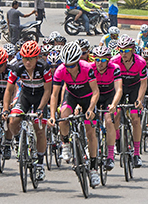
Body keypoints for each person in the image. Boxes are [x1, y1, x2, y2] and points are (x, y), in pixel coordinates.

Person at [49, 42, 101, 187]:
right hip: (71, 95)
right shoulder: (60, 70)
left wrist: (90, 109)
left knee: (91, 133)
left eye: (72, 65)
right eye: (67, 66)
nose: (69, 68)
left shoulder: (87, 68)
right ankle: (65, 143)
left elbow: (96, 92)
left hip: (88, 97)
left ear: (78, 61)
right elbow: (54, 95)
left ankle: (93, 169)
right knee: (63, 115)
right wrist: (53, 115)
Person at [3, 41, 52, 182]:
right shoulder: (17, 67)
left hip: (40, 97)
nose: (27, 61)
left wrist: (41, 108)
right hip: (25, 96)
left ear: (37, 58)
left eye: (30, 58)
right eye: (24, 58)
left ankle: (40, 163)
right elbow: (9, 89)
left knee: (39, 129)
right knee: (13, 119)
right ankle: (19, 140)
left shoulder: (44, 67)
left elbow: (48, 90)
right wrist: (6, 109)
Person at [110, 35, 147, 168]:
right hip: (119, 86)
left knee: (135, 118)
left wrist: (139, 100)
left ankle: (136, 153)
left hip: (134, 87)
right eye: (121, 50)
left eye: (126, 51)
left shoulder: (140, 62)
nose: (123, 54)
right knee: (116, 113)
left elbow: (143, 84)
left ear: (132, 50)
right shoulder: (114, 61)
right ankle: (118, 138)